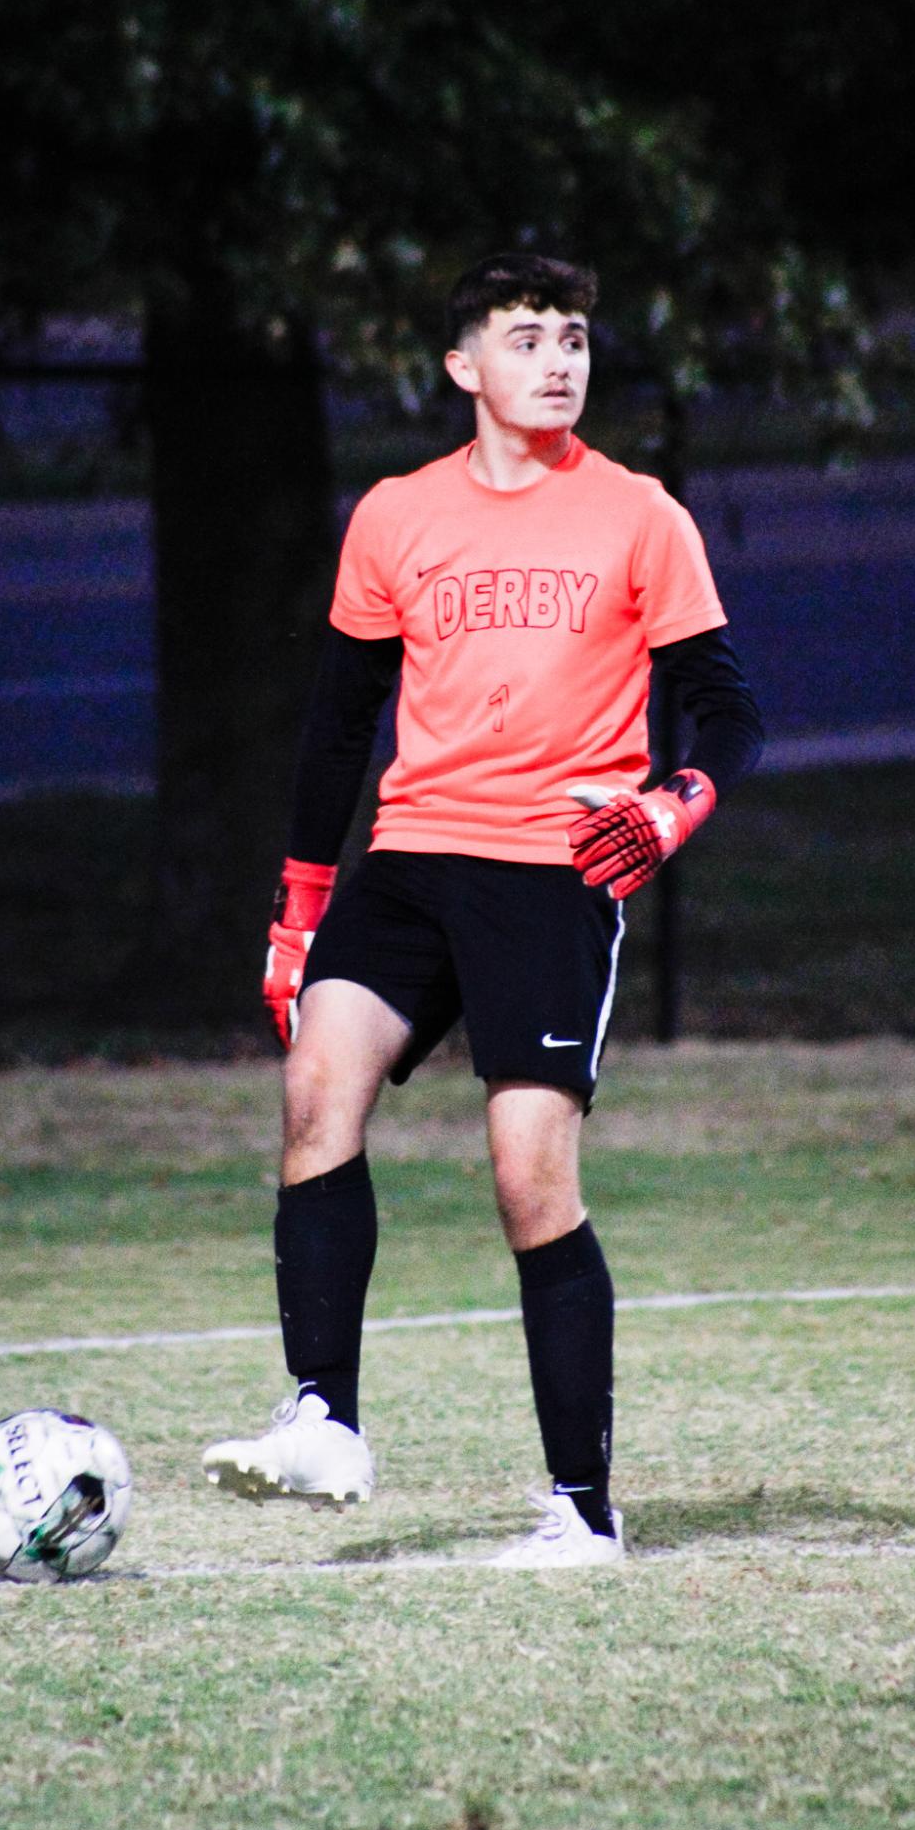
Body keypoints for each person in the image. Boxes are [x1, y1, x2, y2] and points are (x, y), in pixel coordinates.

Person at [202, 253, 763, 1567]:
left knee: (528, 1178)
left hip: (549, 869)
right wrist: (299, 906)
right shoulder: (395, 517)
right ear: (464, 367)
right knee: (312, 1090)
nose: (557, 359)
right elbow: (339, 728)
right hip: (410, 858)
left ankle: (579, 1509)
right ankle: (324, 1418)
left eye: (572, 335)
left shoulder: (640, 516)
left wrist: (675, 801)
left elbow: (727, 712)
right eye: (525, 338)